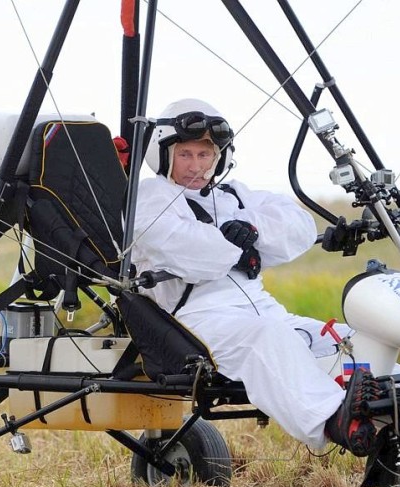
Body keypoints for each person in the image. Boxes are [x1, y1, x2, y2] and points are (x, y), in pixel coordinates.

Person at [132, 97, 383, 456]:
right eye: (185, 154)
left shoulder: (234, 194)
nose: (195, 166)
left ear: (221, 156)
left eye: (205, 155)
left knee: (351, 339)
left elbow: (297, 226)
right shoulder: (150, 198)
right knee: (267, 339)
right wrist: (239, 246)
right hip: (199, 323)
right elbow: (188, 252)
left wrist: (250, 232)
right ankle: (337, 422)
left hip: (266, 312)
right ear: (164, 154)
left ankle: (387, 410)